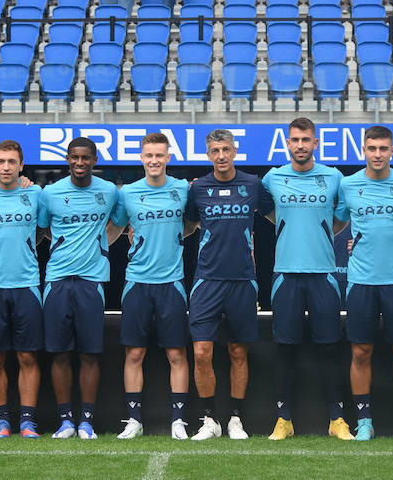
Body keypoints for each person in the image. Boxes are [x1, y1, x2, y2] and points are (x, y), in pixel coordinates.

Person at [333, 126, 393, 443]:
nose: (377, 154)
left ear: (392, 151)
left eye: (383, 148)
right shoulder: (348, 185)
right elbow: (337, 222)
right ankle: (365, 422)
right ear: (364, 150)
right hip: (360, 281)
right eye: (372, 148)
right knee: (360, 353)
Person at [260, 118, 348, 441]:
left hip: (323, 274)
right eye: (295, 139)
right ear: (287, 143)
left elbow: (340, 218)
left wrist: (320, 233)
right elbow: (268, 212)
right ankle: (284, 420)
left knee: (329, 349)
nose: (300, 145)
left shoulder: (334, 177)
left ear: (315, 143)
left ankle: (337, 420)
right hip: (285, 275)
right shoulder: (273, 178)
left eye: (306, 139)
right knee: (285, 349)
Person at [182, 130, 272, 441]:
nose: (221, 155)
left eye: (226, 149)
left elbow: (277, 215)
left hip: (243, 281)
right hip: (207, 281)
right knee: (202, 352)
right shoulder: (198, 189)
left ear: (234, 151)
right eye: (215, 151)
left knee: (237, 351)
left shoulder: (253, 184)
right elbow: (189, 224)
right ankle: (209, 420)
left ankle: (235, 419)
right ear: (208, 155)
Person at [109, 133, 193, 440]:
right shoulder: (128, 193)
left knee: (176, 354)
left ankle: (179, 421)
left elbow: (191, 223)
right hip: (137, 283)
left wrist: (172, 236)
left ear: (168, 157)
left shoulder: (183, 189)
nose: (154, 160)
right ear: (141, 158)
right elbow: (116, 227)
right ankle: (134, 420)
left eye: (160, 155)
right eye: (149, 155)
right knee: (134, 354)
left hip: (171, 283)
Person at [39, 137, 122, 440]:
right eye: (74, 157)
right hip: (58, 280)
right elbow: (44, 227)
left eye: (85, 158)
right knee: (59, 354)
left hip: (92, 281)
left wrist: (100, 247)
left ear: (94, 160)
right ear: (67, 159)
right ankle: (65, 421)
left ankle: (86, 421)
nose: (79, 163)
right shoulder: (50, 193)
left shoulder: (109, 191)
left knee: (90, 354)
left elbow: (119, 223)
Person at [0, 140, 44, 439]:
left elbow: (42, 230)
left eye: (12, 162)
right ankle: (2, 421)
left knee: (28, 357)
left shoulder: (35, 193)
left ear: (21, 165)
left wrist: (21, 250)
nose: (6, 167)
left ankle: (27, 422)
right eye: (1, 161)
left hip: (27, 285)